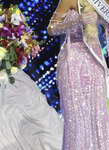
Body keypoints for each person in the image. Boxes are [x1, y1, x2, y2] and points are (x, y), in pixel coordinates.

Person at [47, 0, 109, 149]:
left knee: (98, 115)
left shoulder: (104, 2)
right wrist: (76, 21)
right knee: (75, 118)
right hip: (72, 62)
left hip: (94, 63)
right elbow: (51, 29)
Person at [0, 1, 64, 149]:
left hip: (13, 76)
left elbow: (25, 41)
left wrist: (27, 47)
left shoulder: (11, 13)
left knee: (38, 120)